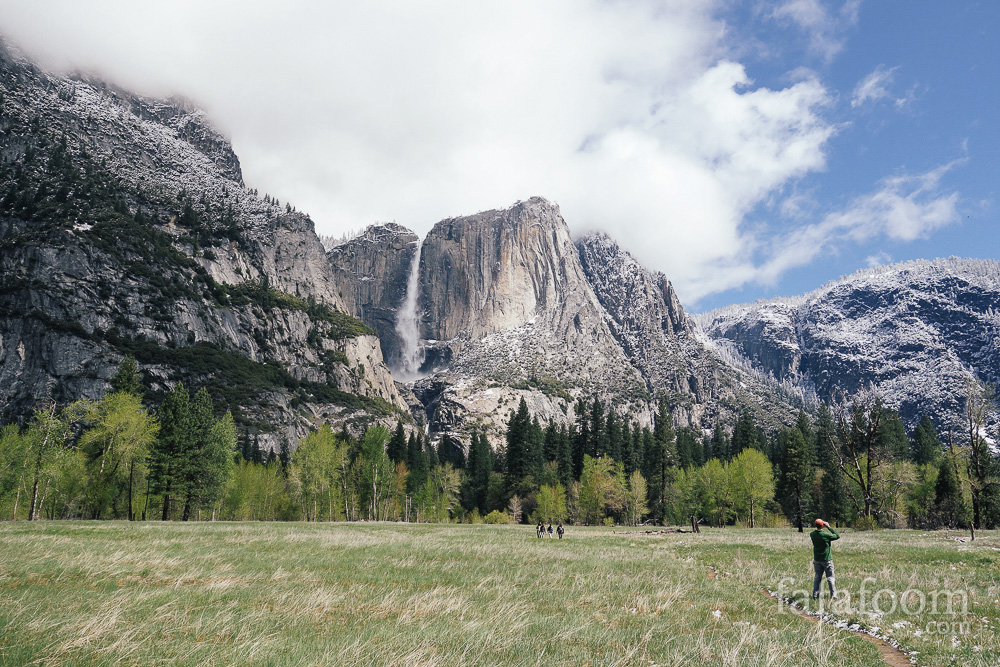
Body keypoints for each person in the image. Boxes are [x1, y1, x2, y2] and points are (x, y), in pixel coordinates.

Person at [810, 518, 839, 599]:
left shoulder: (812, 534)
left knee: (817, 577)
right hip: (826, 559)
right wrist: (829, 527)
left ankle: (815, 595)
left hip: (817, 559)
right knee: (830, 578)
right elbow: (837, 536)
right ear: (823, 525)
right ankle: (833, 595)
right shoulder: (825, 535)